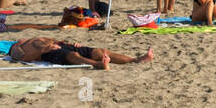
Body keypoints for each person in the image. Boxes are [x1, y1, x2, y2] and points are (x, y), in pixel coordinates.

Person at [9, 36, 152, 70]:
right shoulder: (17, 47)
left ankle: (135, 60)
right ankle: (98, 65)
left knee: (99, 51)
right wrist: (44, 49)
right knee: (73, 57)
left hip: (61, 45)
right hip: (49, 53)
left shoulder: (33, 38)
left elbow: (54, 40)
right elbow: (22, 58)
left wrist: (68, 43)